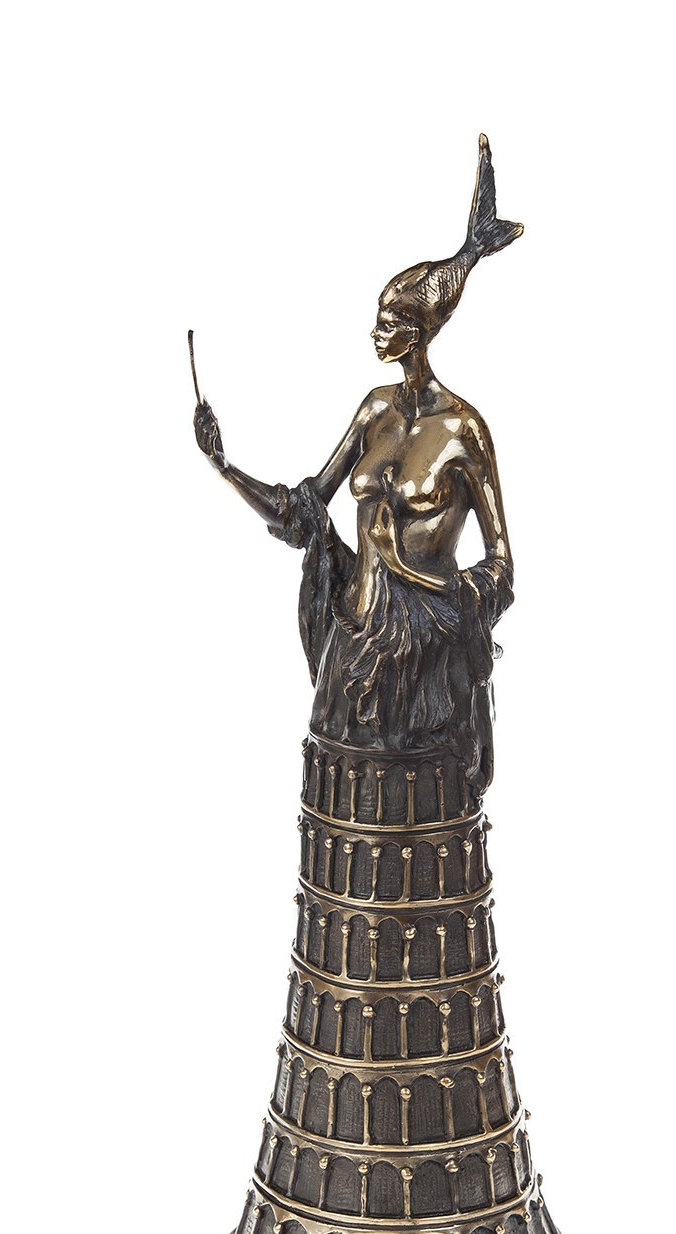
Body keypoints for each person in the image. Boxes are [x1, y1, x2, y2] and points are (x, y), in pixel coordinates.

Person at [193, 134, 520, 797]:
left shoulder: (464, 431)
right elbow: (304, 510)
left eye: (389, 322)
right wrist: (224, 467)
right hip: (355, 632)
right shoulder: (374, 410)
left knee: (420, 815)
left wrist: (441, 603)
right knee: (338, 806)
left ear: (418, 333)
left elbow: (502, 566)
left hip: (424, 656)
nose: (376, 332)